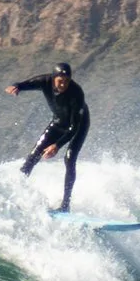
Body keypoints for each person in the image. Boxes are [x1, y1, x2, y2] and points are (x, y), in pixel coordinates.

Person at [8, 62, 90, 212]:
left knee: (69, 159)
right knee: (33, 155)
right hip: (58, 123)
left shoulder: (77, 93)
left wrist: (56, 146)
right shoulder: (45, 81)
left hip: (78, 125)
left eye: (67, 81)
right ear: (53, 78)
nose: (63, 84)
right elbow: (28, 84)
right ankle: (13, 194)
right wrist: (17, 86)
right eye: (60, 80)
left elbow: (73, 127)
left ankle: (65, 206)